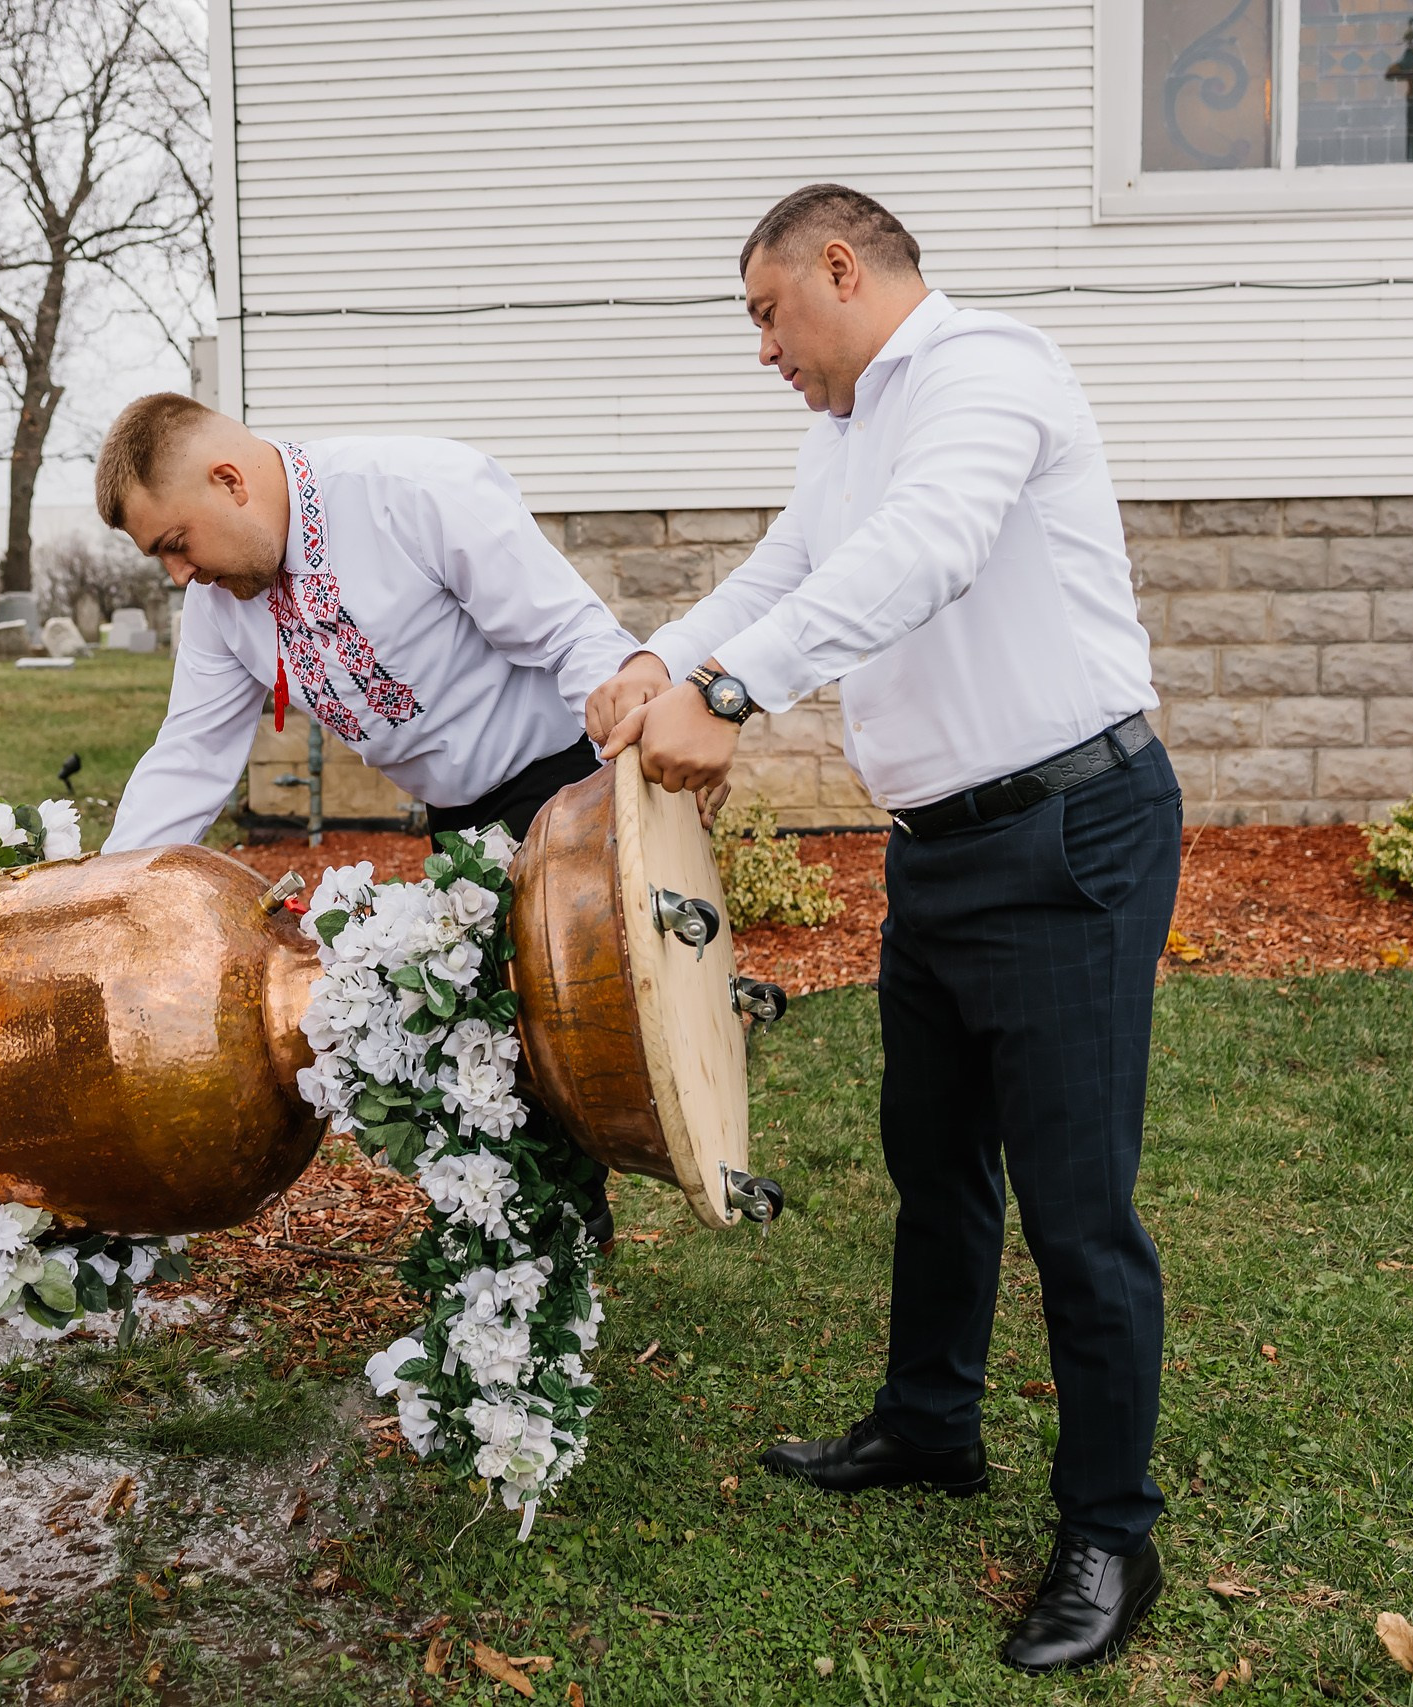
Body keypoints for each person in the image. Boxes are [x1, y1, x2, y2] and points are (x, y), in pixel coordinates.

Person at [587, 185, 1180, 1672]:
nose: (766, 348)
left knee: (1076, 1203)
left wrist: (728, 698)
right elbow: (791, 566)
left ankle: (1112, 1527)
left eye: (767, 313)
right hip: (941, 849)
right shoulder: (844, 428)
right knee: (934, 1152)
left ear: (839, 267)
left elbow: (932, 548)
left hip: (1066, 830)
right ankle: (932, 1422)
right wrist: (665, 650)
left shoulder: (993, 370)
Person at [91, 392, 681, 852]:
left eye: (176, 543)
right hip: (453, 821)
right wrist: (108, 895)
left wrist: (635, 780)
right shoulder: (215, 602)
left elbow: (573, 635)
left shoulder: (414, 489)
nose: (177, 574)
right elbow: (190, 756)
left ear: (229, 481)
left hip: (571, 780)